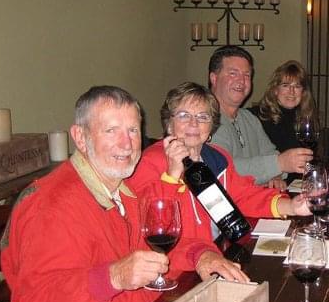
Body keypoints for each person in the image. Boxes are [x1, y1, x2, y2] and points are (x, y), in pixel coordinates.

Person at [0, 86, 241, 302]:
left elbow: (154, 251)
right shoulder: (51, 207)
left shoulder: (121, 192)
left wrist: (201, 255)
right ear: (80, 137)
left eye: (133, 130)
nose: (127, 144)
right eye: (111, 130)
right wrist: (113, 277)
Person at [129, 82, 310, 272]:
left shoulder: (217, 157)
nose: (194, 123)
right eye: (184, 115)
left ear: (212, 126)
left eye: (203, 116)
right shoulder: (150, 162)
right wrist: (172, 176)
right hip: (175, 270)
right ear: (169, 124)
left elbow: (243, 195)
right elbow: (149, 230)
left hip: (219, 254)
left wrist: (292, 206)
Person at [208, 46, 312, 189]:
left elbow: (270, 153)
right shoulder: (203, 119)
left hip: (256, 199)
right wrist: (279, 164)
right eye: (233, 73)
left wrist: (275, 175)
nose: (241, 80)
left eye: (247, 75)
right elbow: (223, 169)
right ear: (214, 78)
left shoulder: (249, 118)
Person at [250, 60, 317, 153]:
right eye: (285, 85)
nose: (291, 91)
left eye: (297, 86)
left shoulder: (305, 119)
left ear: (303, 92)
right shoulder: (257, 117)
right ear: (275, 90)